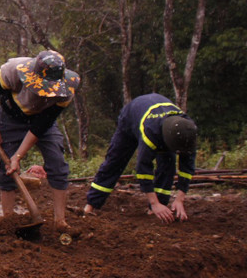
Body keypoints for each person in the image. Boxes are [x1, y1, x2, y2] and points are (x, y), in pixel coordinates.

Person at [0, 50, 81, 230]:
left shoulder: (66, 90)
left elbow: (41, 126)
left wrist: (19, 156)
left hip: (41, 122)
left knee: (57, 163)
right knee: (6, 168)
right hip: (10, 117)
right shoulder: (13, 71)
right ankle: (9, 219)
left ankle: (60, 221)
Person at [84, 93, 198, 223]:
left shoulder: (187, 132)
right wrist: (154, 202)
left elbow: (187, 167)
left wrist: (179, 199)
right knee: (115, 161)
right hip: (131, 118)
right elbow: (143, 168)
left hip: (165, 125)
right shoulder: (150, 133)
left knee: (168, 164)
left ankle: (157, 209)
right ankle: (91, 205)